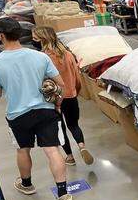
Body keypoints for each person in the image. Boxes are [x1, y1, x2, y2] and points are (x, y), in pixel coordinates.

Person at [0, 17, 73, 200]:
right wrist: (56, 104)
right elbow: (60, 85)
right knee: (52, 150)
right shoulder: (40, 56)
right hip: (45, 110)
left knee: (23, 149)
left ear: (0, 36)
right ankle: (63, 193)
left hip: (17, 115)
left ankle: (27, 184)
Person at [32, 26, 94, 167]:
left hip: (54, 99)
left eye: (35, 38)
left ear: (42, 39)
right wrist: (75, 91)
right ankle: (82, 145)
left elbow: (41, 80)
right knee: (74, 124)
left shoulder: (42, 58)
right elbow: (77, 78)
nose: (33, 40)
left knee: (60, 128)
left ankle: (70, 156)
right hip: (71, 96)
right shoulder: (67, 54)